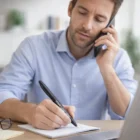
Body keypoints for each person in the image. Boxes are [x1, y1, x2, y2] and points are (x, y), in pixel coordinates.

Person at [0, 0, 137, 130]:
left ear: (109, 24)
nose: (87, 26)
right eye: (82, 13)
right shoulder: (33, 47)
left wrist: (107, 70)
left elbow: (129, 117)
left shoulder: (118, 58)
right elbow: (3, 94)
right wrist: (30, 112)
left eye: (99, 19)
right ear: (70, 8)